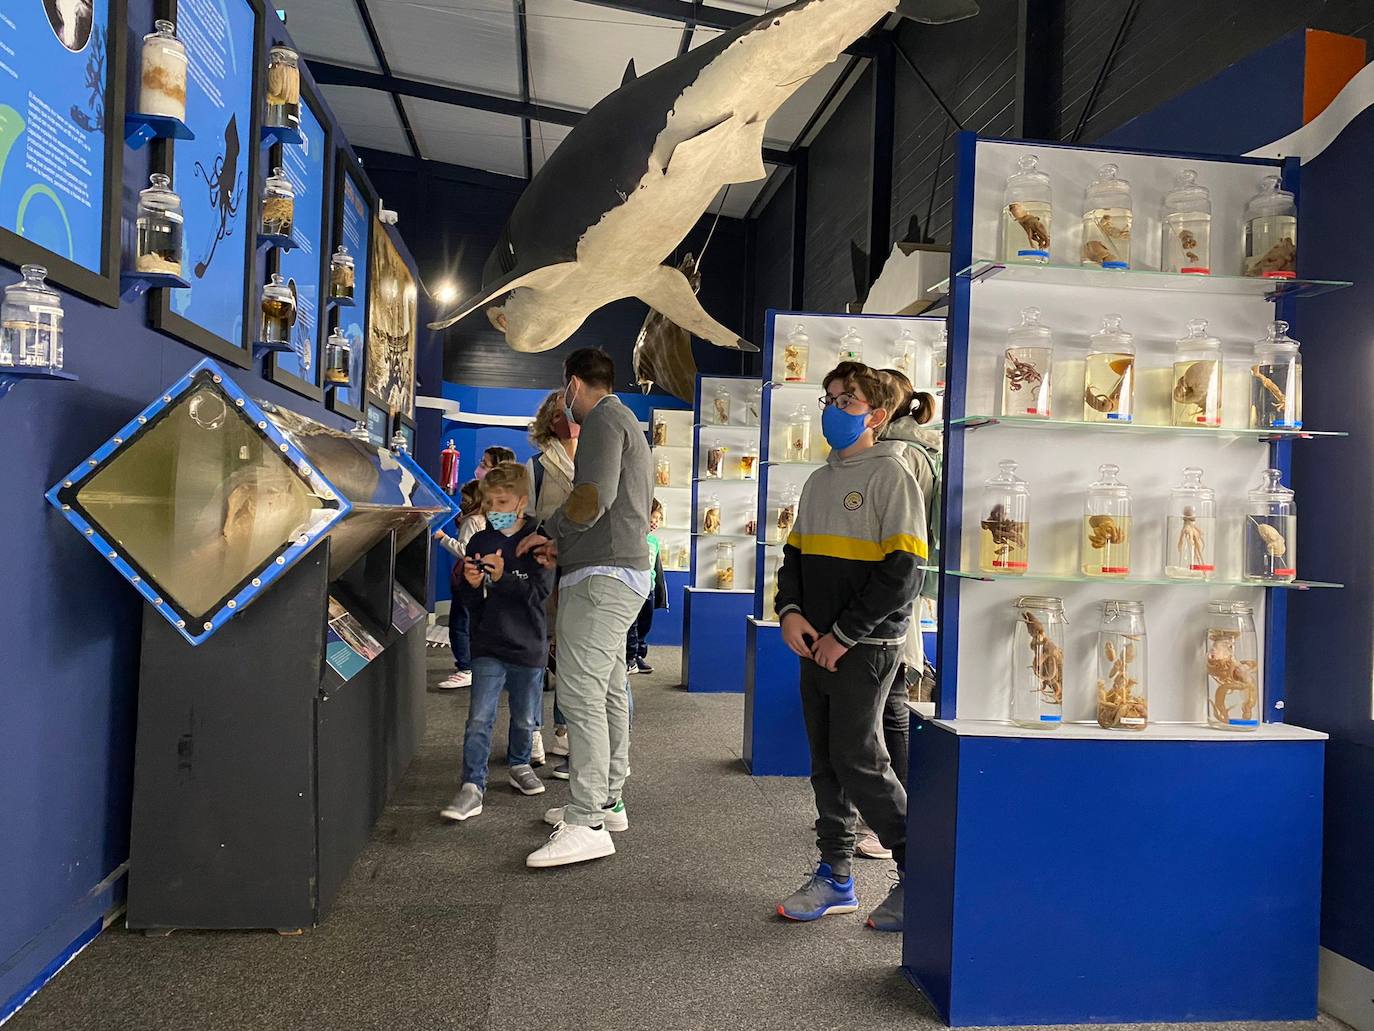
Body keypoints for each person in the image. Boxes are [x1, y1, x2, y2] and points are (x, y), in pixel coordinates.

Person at [773, 361, 926, 932]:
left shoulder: (894, 476)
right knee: (825, 761)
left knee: (860, 759)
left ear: (877, 416)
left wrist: (844, 635)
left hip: (865, 645)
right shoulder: (818, 480)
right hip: (815, 643)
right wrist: (789, 612)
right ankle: (836, 874)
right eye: (830, 399)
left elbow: (903, 573)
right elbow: (794, 558)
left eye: (848, 400)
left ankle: (920, 873)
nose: (834, 410)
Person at [517, 347, 652, 869]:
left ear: (572, 385)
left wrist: (547, 534)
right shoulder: (624, 420)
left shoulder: (601, 419)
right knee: (610, 687)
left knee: (580, 694)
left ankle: (587, 821)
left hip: (602, 574)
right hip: (619, 570)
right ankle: (606, 800)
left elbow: (591, 497)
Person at [854, 368, 943, 862]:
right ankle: (882, 812)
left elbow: (896, 539)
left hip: (891, 596)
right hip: (891, 595)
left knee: (889, 706)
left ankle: (899, 818)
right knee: (883, 705)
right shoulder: (908, 451)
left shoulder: (902, 455)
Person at [440, 462, 554, 822]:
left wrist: (504, 578)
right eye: (489, 504)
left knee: (524, 718)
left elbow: (539, 596)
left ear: (521, 503)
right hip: (488, 643)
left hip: (529, 646)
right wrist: (471, 586)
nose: (493, 512)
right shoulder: (480, 540)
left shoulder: (540, 539)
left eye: (501, 503)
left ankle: (520, 765)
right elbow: (472, 604)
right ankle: (472, 785)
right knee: (479, 718)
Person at [525, 390, 580, 766]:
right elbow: (527, 518)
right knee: (536, 649)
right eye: (561, 412)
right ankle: (530, 730)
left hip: (582, 567)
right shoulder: (537, 466)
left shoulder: (598, 456)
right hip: (543, 567)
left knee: (572, 652)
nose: (571, 419)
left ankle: (564, 728)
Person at [433, 480, 486, 690]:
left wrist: (442, 538)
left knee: (459, 625)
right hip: (481, 580)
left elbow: (466, 552)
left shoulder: (471, 521)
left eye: (466, 499)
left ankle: (466, 667)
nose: (462, 502)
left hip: (467, 579)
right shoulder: (484, 519)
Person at [625, 498, 666, 674]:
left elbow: (656, 568)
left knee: (645, 622)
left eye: (658, 519)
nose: (655, 522)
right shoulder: (634, 538)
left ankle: (639, 654)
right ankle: (630, 657)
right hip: (634, 587)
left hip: (648, 588)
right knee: (632, 625)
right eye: (652, 517)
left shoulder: (654, 542)